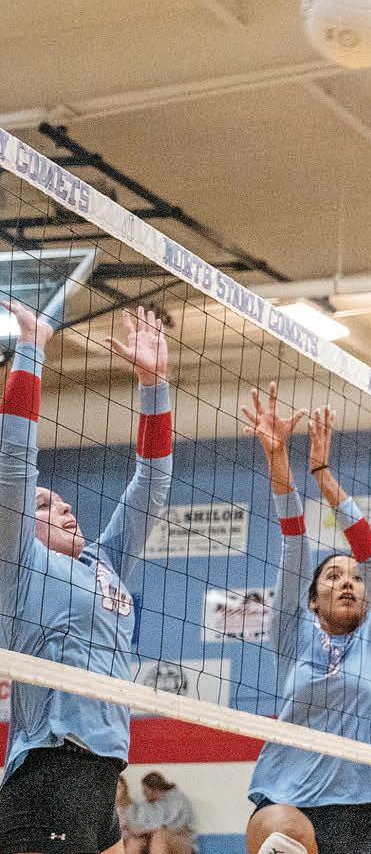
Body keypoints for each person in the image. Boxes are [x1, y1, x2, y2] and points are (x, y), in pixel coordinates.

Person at [0, 303, 173, 854]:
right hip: (51, 771)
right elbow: (14, 463)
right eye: (45, 506)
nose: (65, 507)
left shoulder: (105, 563)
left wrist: (154, 384)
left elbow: (152, 486)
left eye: (63, 502)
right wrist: (31, 348)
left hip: (102, 777)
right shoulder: (21, 564)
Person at [241, 391, 371, 854]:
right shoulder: (292, 634)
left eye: (356, 578)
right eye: (333, 576)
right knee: (282, 829)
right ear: (312, 600)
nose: (348, 582)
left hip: (361, 810)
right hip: (287, 799)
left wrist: (323, 475)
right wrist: (278, 461)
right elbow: (294, 544)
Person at [124, 773, 195, 854]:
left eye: (145, 790)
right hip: (159, 839)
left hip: (183, 842)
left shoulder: (176, 799)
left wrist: (142, 830)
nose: (144, 794)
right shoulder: (153, 804)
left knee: (159, 835)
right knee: (135, 841)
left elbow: (169, 826)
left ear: (153, 789)